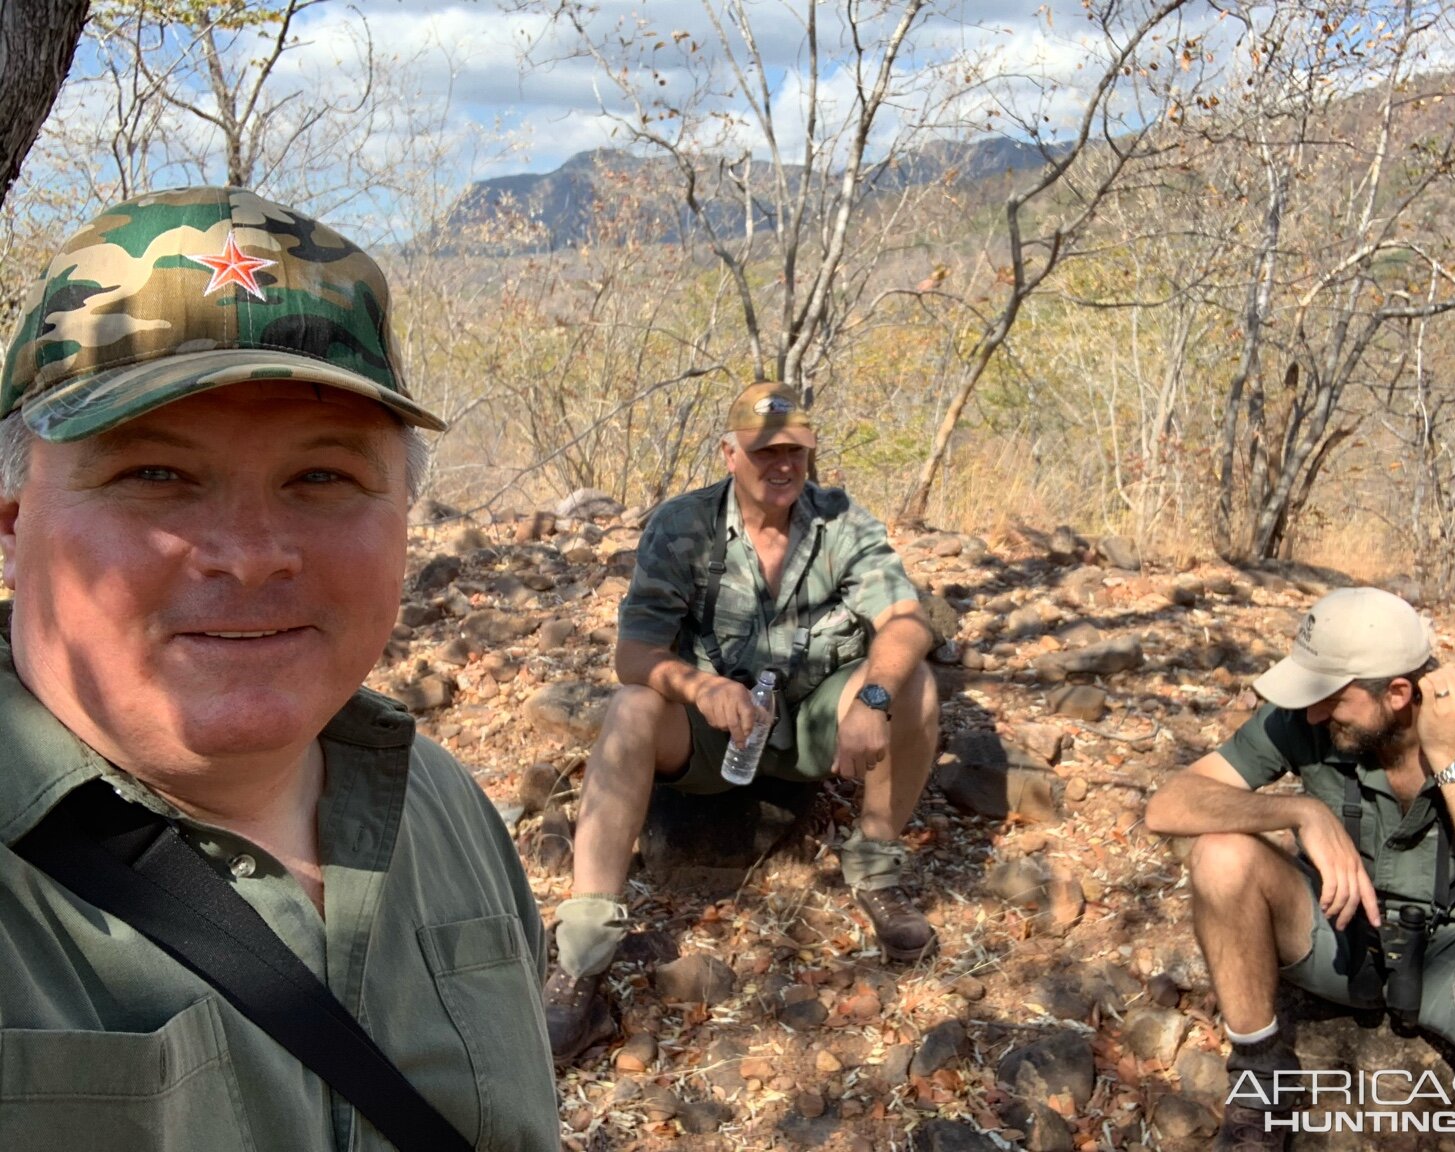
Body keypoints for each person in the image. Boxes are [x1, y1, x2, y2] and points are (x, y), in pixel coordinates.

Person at [0, 187, 559, 1151]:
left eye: (322, 478)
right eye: (155, 476)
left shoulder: (444, 807)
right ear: (12, 528)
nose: (252, 553)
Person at [542, 382, 941, 1065]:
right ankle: (584, 953)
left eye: (795, 451)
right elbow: (634, 655)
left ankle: (875, 870)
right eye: (764, 452)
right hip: (711, 732)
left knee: (916, 688)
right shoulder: (684, 525)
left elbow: (906, 619)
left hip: (816, 716)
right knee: (632, 705)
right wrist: (697, 685)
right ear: (730, 453)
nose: (781, 465)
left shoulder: (842, 522)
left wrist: (873, 700)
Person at [1145, 587, 1455, 1151]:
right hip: (1340, 930)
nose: (1311, 712)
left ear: (1398, 693)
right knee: (1220, 854)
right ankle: (1261, 1076)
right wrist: (1301, 811)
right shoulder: (1311, 718)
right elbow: (1168, 805)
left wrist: (1453, 761)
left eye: (1329, 696)